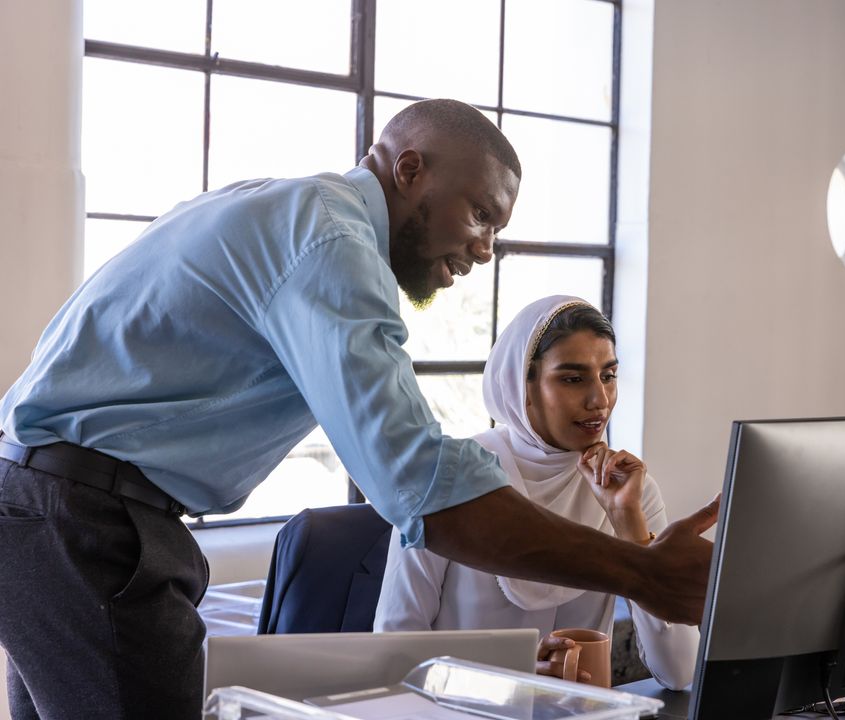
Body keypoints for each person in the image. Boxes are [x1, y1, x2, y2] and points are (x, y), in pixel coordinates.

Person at [0, 99, 716, 720]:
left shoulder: (288, 209)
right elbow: (419, 481)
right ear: (409, 172)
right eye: (479, 214)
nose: (485, 247)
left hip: (44, 506)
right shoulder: (333, 241)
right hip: (86, 525)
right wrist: (645, 573)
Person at [375, 296, 699, 690]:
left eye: (608, 376)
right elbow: (393, 657)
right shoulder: (451, 480)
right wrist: (506, 681)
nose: (599, 400)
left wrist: (630, 526)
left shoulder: (628, 488)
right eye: (573, 378)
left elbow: (680, 672)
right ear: (521, 385)